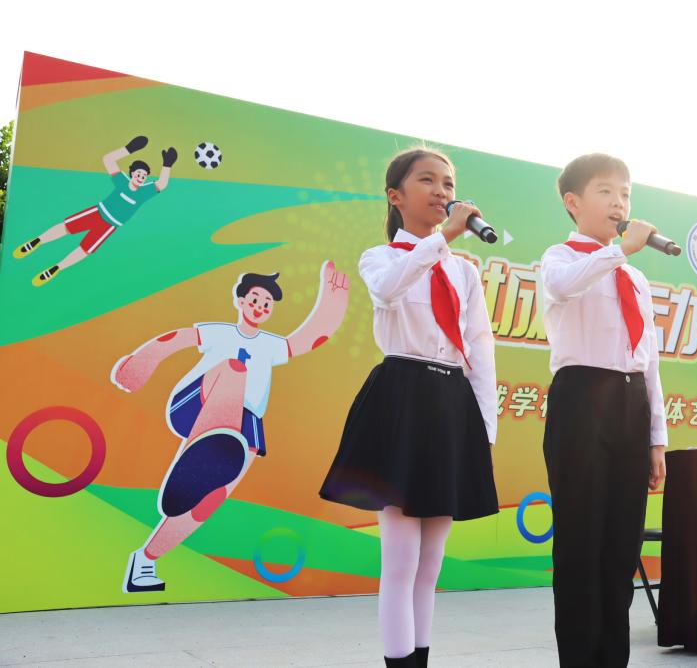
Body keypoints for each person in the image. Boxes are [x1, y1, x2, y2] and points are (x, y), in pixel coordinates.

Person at [319, 148, 498, 668]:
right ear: (396, 196)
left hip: (451, 405)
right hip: (401, 400)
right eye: (428, 181)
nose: (442, 192)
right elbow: (387, 291)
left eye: (448, 183)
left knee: (430, 564)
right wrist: (442, 241)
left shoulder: (464, 273)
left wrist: (483, 428)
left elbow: (480, 348)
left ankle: (421, 658)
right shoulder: (380, 258)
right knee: (400, 560)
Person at [112, 263, 349, 592]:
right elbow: (178, 339)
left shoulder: (270, 345)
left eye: (267, 303)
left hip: (245, 426)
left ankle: (146, 560)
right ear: (240, 301)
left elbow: (309, 339)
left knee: (207, 501)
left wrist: (332, 304)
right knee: (234, 369)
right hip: (198, 403)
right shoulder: (221, 333)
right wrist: (143, 361)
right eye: (255, 299)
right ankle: (212, 442)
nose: (260, 306)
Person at [540, 153, 668, 667]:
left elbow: (649, 360)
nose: (619, 203)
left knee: (620, 548)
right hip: (581, 400)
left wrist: (656, 438)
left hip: (630, 405)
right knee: (580, 544)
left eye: (626, 194)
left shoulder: (635, 278)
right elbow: (561, 287)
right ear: (573, 202)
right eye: (606, 191)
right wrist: (619, 251)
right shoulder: (560, 258)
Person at [13, 135, 177, 286]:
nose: (140, 177)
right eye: (139, 173)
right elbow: (108, 160)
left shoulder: (143, 193)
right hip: (97, 213)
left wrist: (167, 165)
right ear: (132, 173)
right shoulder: (121, 181)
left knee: (85, 249)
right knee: (67, 227)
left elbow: (161, 184)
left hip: (110, 225)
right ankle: (37, 241)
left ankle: (56, 268)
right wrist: (129, 149)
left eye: (144, 176)